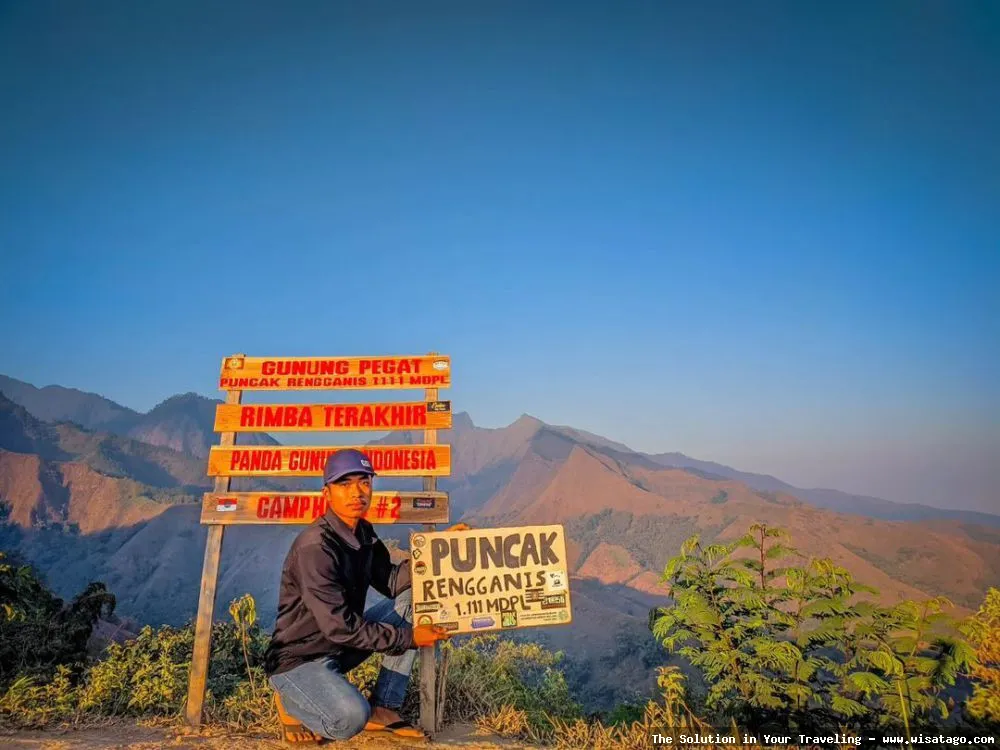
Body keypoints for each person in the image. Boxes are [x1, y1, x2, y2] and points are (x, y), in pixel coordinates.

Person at [264, 448, 466, 741]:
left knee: (414, 599)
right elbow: (340, 626)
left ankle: (384, 705)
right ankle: (291, 700)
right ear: (327, 493)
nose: (356, 491)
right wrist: (410, 638)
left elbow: (394, 581)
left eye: (364, 482)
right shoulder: (316, 549)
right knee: (349, 719)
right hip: (299, 659)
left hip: (338, 649)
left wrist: (439, 551)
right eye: (344, 484)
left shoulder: (363, 533)